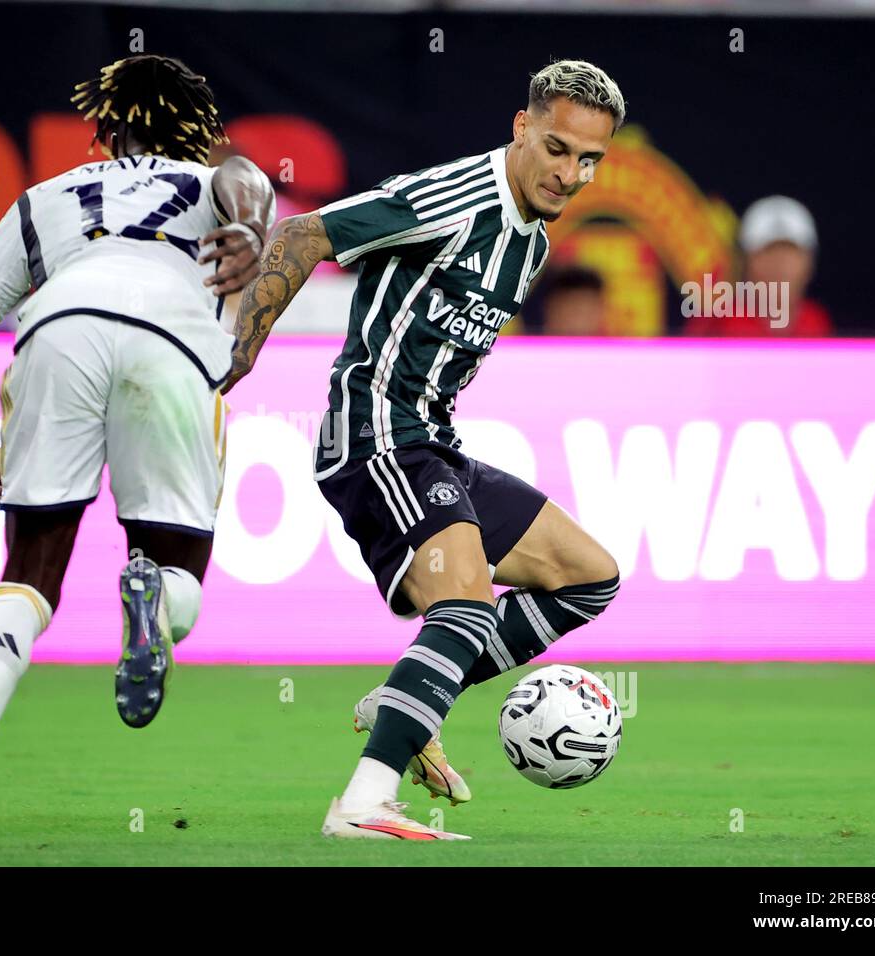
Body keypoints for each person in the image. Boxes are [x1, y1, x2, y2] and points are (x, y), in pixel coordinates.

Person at [226, 60, 624, 840]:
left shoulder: (532, 244)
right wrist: (236, 355)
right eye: (556, 148)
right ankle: (362, 804)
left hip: (433, 445)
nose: (569, 173)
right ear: (521, 127)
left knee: (588, 578)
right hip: (373, 436)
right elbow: (302, 233)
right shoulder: (451, 197)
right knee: (466, 605)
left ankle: (409, 704)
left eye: (589, 160)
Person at [0, 54, 275, 848]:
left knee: (28, 579)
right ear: (198, 130)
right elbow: (246, 178)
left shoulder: (46, 197)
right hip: (171, 342)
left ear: (106, 128)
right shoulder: (215, 183)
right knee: (181, 578)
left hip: (56, 330)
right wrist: (244, 230)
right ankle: (149, 593)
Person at [685, 195, 831, 337]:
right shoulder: (715, 321)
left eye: (790, 252)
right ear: (744, 262)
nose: (779, 264)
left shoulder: (817, 322)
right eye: (767, 252)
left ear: (810, 262)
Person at [537, 264, 607, 335]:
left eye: (587, 313)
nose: (579, 321)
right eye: (575, 311)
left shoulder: (612, 344)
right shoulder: (530, 344)